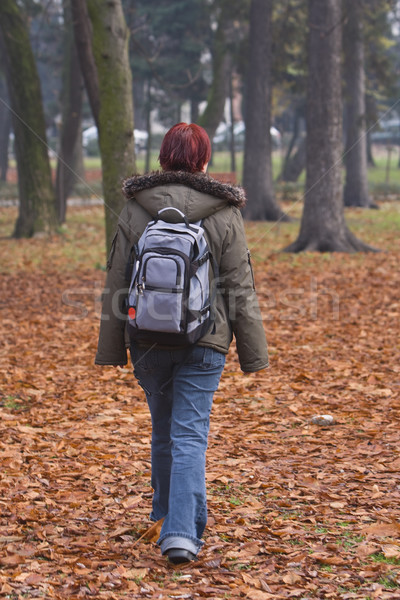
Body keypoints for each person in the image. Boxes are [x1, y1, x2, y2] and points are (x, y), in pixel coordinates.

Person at [95, 123, 268, 564]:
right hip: (205, 342)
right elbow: (238, 286)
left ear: (163, 158)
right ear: (203, 160)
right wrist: (253, 355)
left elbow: (116, 280)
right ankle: (181, 535)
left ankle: (165, 518)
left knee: (163, 431)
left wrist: (113, 347)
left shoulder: (135, 208)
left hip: (147, 341)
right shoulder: (224, 210)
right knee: (190, 435)